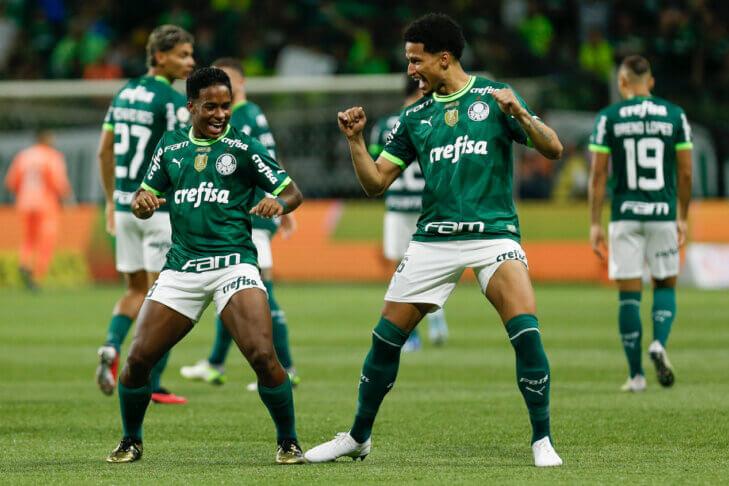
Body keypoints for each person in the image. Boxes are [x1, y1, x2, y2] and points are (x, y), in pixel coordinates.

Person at [305, 13, 564, 467]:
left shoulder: (494, 97)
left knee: (525, 331)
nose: (410, 70)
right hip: (434, 239)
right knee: (385, 338)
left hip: (493, 235)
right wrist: (355, 141)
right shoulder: (414, 117)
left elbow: (553, 148)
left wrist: (520, 113)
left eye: (415, 61)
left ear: (443, 59)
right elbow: (375, 182)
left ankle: (542, 440)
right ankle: (358, 436)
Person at [105, 67, 305, 464]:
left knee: (264, 357)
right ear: (190, 107)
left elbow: (292, 192)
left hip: (234, 265)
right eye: (210, 107)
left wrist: (278, 204)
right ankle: (131, 440)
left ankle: (288, 441)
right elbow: (146, 196)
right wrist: (141, 204)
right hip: (182, 268)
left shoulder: (243, 149)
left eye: (226, 106)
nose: (220, 114)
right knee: (136, 362)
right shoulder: (171, 146)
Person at [179, 58, 300, 389]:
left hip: (251, 214)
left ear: (241, 84)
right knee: (228, 289)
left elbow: (263, 161)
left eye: (228, 84)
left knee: (261, 293)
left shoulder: (245, 116)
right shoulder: (245, 115)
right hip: (246, 212)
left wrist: (281, 208)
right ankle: (216, 363)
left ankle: (286, 366)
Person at [95, 25, 195, 405]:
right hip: (157, 209)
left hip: (123, 206)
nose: (191, 62)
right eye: (183, 55)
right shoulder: (169, 100)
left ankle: (110, 345)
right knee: (167, 296)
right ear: (159, 57)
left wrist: (109, 200)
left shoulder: (123, 94)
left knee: (134, 290)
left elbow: (104, 151)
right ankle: (149, 379)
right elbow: (179, 154)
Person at [588, 55, 692, 392]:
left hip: (625, 217)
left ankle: (635, 376)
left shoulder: (609, 118)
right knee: (665, 285)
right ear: (651, 81)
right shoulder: (675, 115)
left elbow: (598, 175)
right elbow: (687, 171)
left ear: (621, 82)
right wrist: (683, 216)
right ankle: (659, 343)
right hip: (662, 213)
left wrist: (594, 223)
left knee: (628, 298)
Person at [368, 76, 449, 352]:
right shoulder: (434, 118)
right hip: (427, 205)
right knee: (434, 266)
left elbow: (376, 166)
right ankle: (436, 316)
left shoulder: (383, 126)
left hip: (396, 206)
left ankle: (409, 334)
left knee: (398, 270)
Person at [4, 130, 71, 290]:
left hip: (25, 202)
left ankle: (24, 262)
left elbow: (11, 182)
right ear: (47, 140)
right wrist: (66, 197)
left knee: (28, 238)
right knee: (46, 241)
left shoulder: (23, 156)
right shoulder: (52, 156)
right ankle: (36, 276)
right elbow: (57, 181)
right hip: (46, 204)